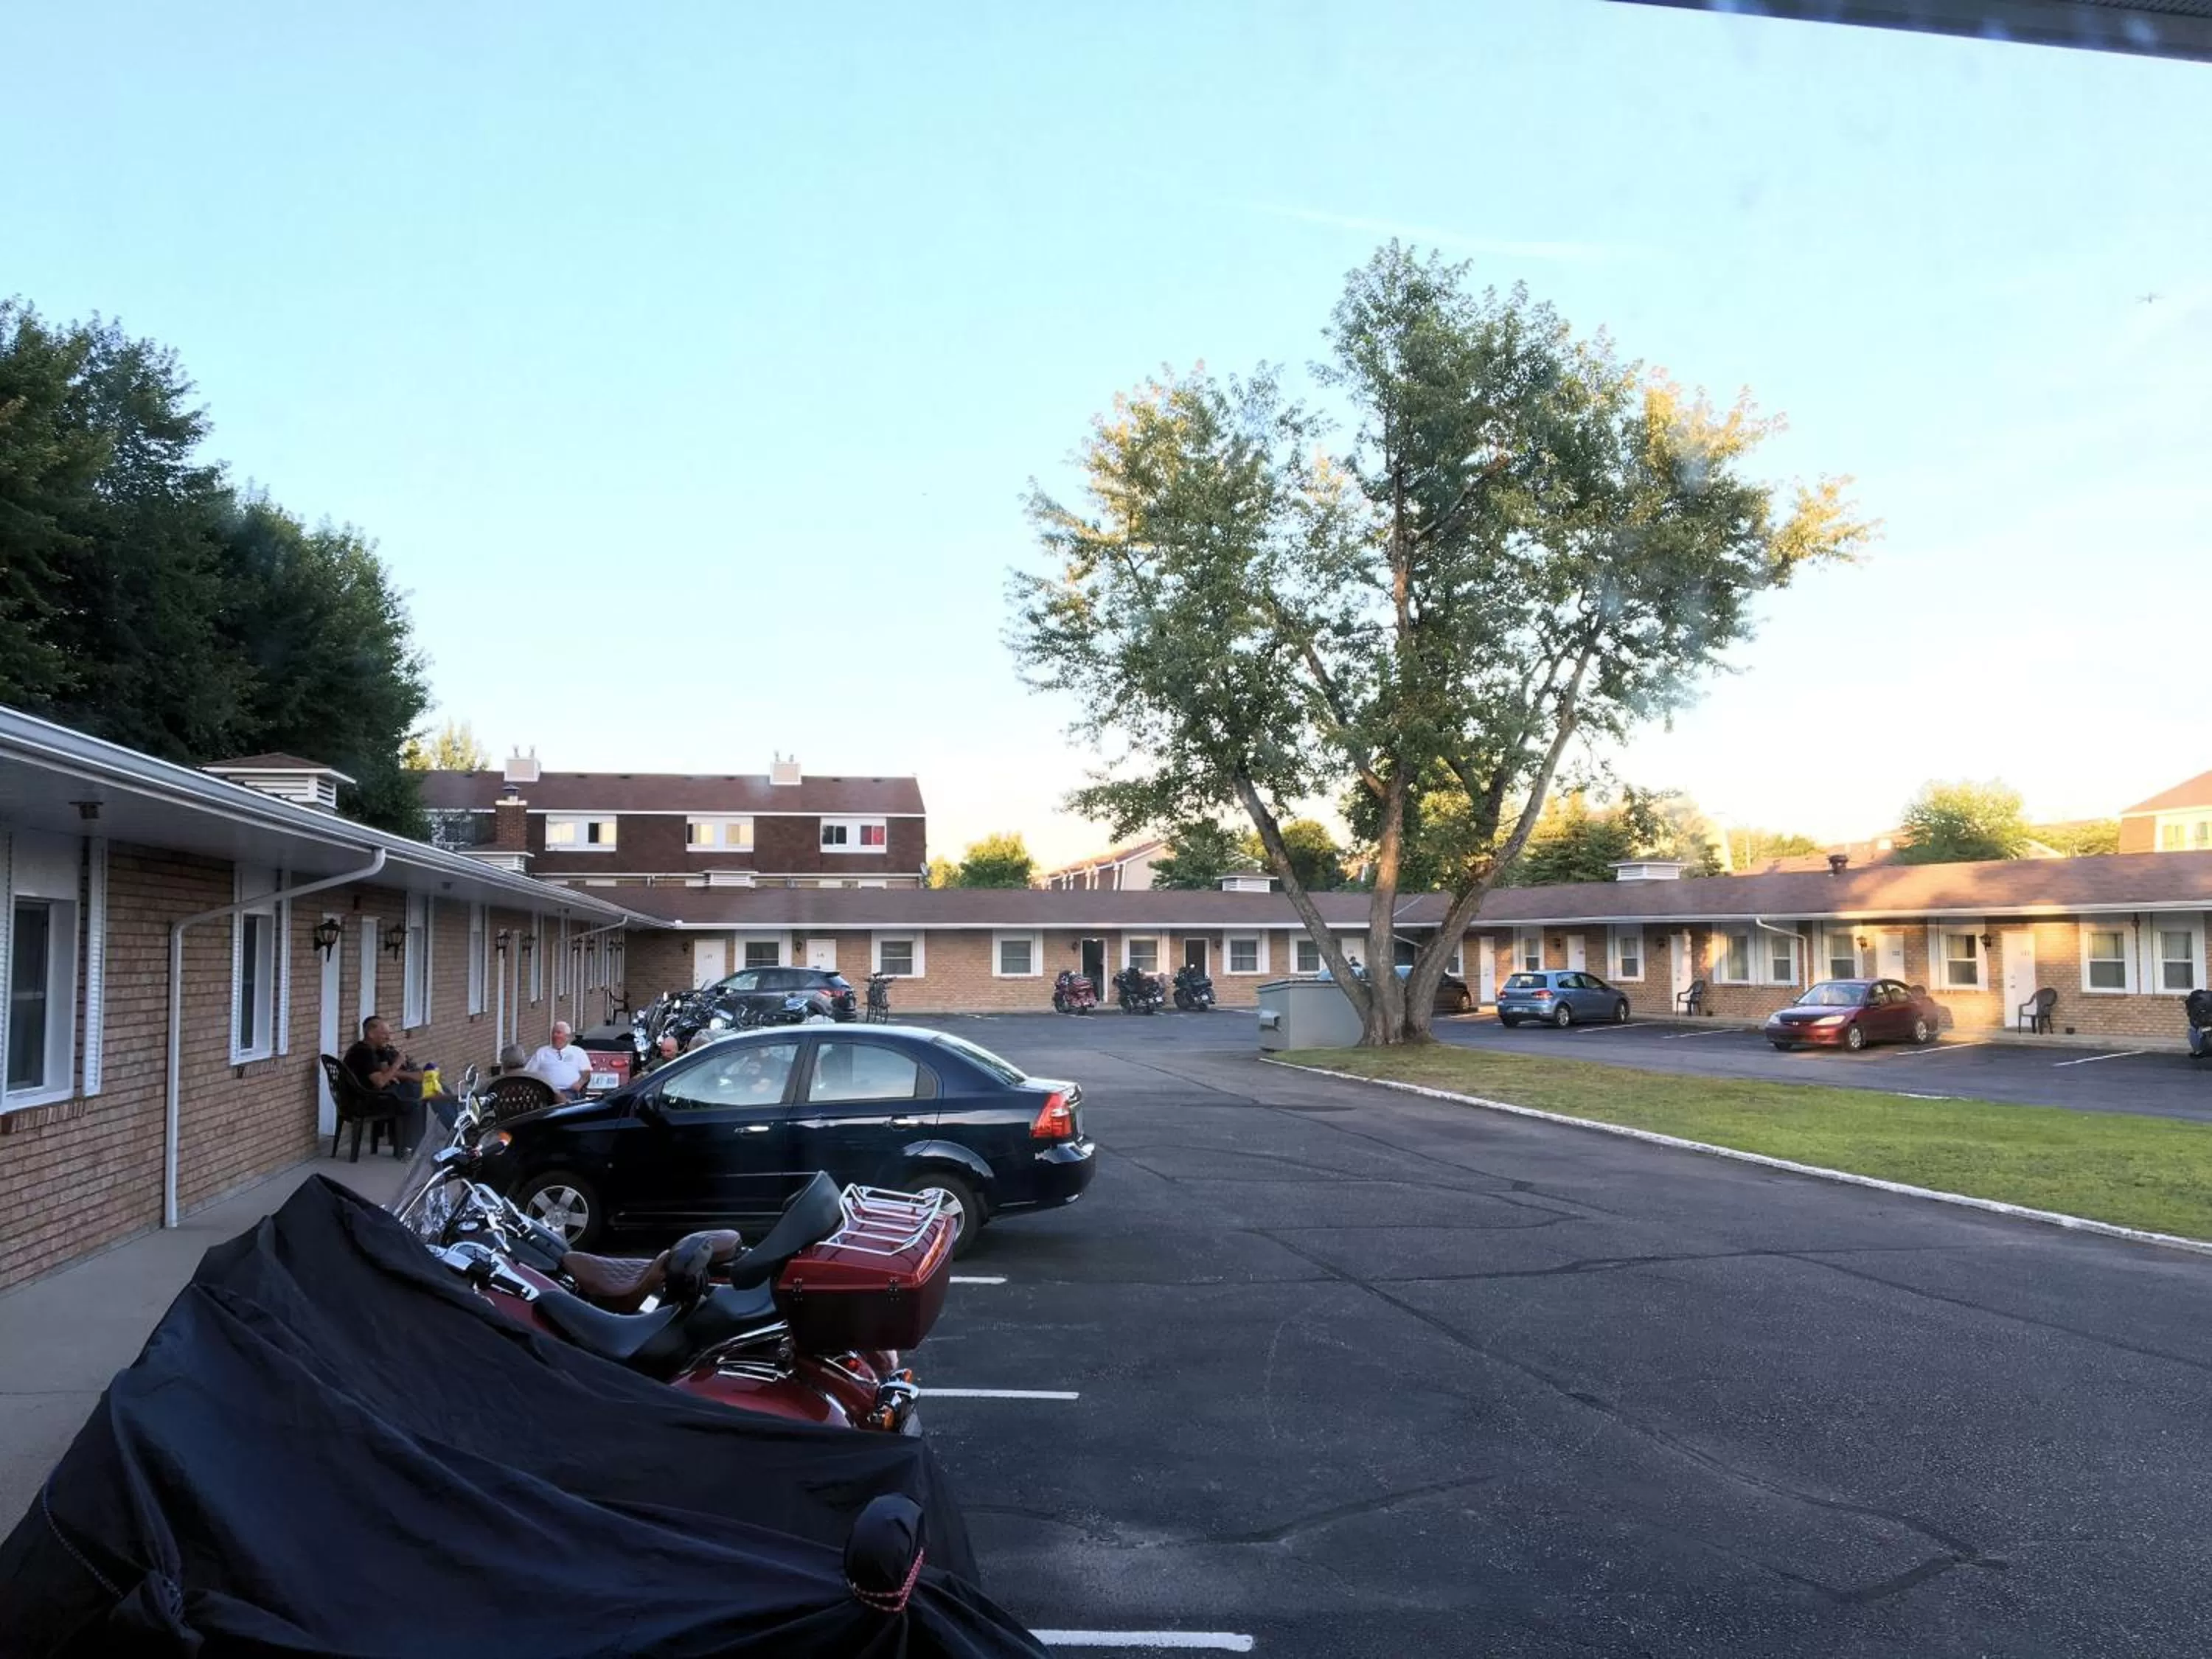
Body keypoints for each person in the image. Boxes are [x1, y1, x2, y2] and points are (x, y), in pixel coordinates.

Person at [341, 1015, 456, 1147]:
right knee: (430, 1091)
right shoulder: (364, 1053)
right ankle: (454, 1130)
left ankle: (458, 1126)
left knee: (434, 1087)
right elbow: (380, 1082)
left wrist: (396, 1073)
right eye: (384, 1034)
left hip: (378, 1094)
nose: (389, 1038)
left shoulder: (374, 1049)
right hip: (369, 1100)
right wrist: (398, 1064)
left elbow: (384, 1072)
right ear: (371, 1034)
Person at [523, 1020, 594, 1100]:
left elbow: (586, 1074)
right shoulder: (542, 1052)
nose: (554, 1035)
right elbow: (528, 1073)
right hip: (546, 1091)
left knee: (563, 1099)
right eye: (553, 1033)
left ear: (567, 1037)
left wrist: (579, 1084)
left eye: (558, 1033)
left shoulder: (578, 1052)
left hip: (569, 1091)